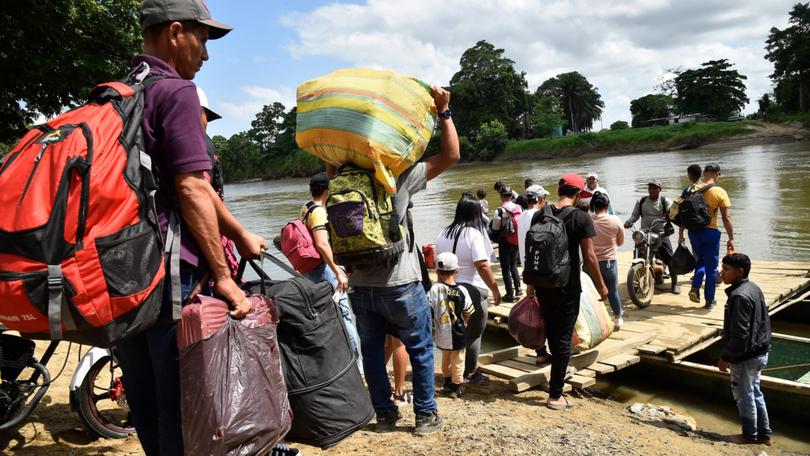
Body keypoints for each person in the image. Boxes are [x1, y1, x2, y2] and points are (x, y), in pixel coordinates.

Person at [116, 2, 271, 454]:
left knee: (146, 407)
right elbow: (191, 189)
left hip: (123, 276)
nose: (206, 54)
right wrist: (225, 278)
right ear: (176, 32)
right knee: (185, 411)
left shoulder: (119, 92)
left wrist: (240, 232)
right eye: (202, 40)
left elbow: (193, 183)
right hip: (171, 282)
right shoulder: (177, 91)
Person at [344, 86, 459, 435]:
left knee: (372, 355)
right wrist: (444, 111)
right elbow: (451, 155)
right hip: (402, 284)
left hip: (360, 285)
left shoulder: (340, 177)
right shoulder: (400, 176)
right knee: (420, 349)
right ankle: (425, 416)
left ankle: (385, 415)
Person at [527, 173, 608, 410]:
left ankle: (556, 372)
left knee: (553, 330)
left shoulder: (541, 214)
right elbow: (590, 257)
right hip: (566, 285)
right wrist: (602, 286)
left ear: (559, 190)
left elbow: (532, 251)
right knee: (563, 337)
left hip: (542, 283)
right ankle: (555, 395)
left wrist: (530, 284)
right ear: (579, 194)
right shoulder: (581, 217)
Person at [435, 195, 502, 384]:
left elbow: (438, 263)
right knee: (474, 334)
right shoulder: (473, 234)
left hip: (447, 288)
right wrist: (495, 289)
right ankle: (470, 372)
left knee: (451, 332)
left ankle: (450, 372)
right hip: (472, 290)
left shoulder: (443, 233)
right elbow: (482, 265)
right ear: (475, 214)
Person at [300, 172, 361, 366]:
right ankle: (357, 364)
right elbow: (321, 244)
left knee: (325, 316)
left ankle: (334, 361)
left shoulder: (306, 208)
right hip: (324, 270)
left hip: (310, 271)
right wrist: (338, 271)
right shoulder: (319, 211)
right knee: (344, 315)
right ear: (328, 190)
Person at [717, 253, 772, 446]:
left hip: (746, 355)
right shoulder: (753, 288)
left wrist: (726, 356)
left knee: (744, 395)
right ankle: (764, 435)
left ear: (739, 272)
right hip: (760, 351)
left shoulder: (739, 295)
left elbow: (740, 334)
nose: (721, 273)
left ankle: (749, 435)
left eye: (726, 269)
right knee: (755, 392)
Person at [680, 163, 734, 308]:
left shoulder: (690, 189)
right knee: (711, 266)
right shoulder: (720, 192)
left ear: (704, 174)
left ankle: (696, 286)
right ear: (717, 174)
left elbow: (681, 213)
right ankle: (709, 300)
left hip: (693, 232)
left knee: (701, 261)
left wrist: (681, 234)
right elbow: (726, 218)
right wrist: (731, 238)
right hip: (711, 232)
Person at [428, 252, 475, 399]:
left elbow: (428, 307)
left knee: (446, 358)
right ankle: (456, 386)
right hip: (458, 332)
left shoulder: (434, 289)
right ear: (456, 270)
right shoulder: (462, 290)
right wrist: (465, 321)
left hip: (441, 333)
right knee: (458, 360)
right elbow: (468, 310)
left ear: (437, 272)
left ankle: (447, 381)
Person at [515, 184, 553, 364]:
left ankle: (541, 351)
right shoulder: (538, 216)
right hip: (539, 269)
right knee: (546, 311)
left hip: (527, 268)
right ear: (540, 200)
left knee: (536, 311)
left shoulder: (521, 215)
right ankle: (552, 351)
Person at [624, 179, 680, 294]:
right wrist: (628, 222)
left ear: (660, 189)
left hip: (661, 234)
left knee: (670, 259)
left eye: (654, 188)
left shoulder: (665, 201)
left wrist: (671, 216)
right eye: (650, 188)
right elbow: (635, 216)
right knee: (637, 257)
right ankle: (635, 281)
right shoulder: (642, 201)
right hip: (644, 233)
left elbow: (673, 214)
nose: (652, 190)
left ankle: (675, 284)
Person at [591, 192, 625, 327]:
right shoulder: (615, 220)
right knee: (612, 290)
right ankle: (617, 317)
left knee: (593, 292)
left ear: (594, 205)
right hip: (609, 262)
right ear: (607, 205)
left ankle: (596, 320)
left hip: (591, 263)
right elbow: (621, 242)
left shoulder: (589, 221)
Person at [492, 185, 523, 302]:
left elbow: (495, 228)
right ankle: (518, 287)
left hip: (505, 240)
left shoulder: (499, 211)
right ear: (511, 195)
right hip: (516, 239)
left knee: (505, 268)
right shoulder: (519, 208)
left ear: (501, 196)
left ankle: (510, 294)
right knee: (513, 264)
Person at [677, 164, 703, 254]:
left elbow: (682, 212)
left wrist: (680, 234)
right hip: (710, 228)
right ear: (701, 173)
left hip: (694, 228)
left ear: (689, 175)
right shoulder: (710, 188)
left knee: (697, 256)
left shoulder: (688, 190)